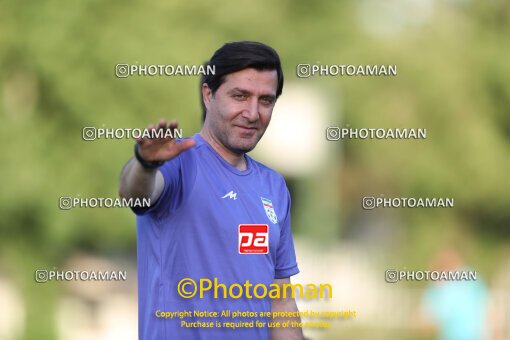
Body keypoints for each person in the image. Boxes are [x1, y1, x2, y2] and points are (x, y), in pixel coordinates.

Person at [119, 41, 303, 340]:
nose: (253, 112)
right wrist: (144, 163)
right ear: (208, 94)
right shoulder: (180, 163)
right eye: (240, 96)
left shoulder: (274, 187)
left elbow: (280, 301)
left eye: (266, 100)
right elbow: (134, 194)